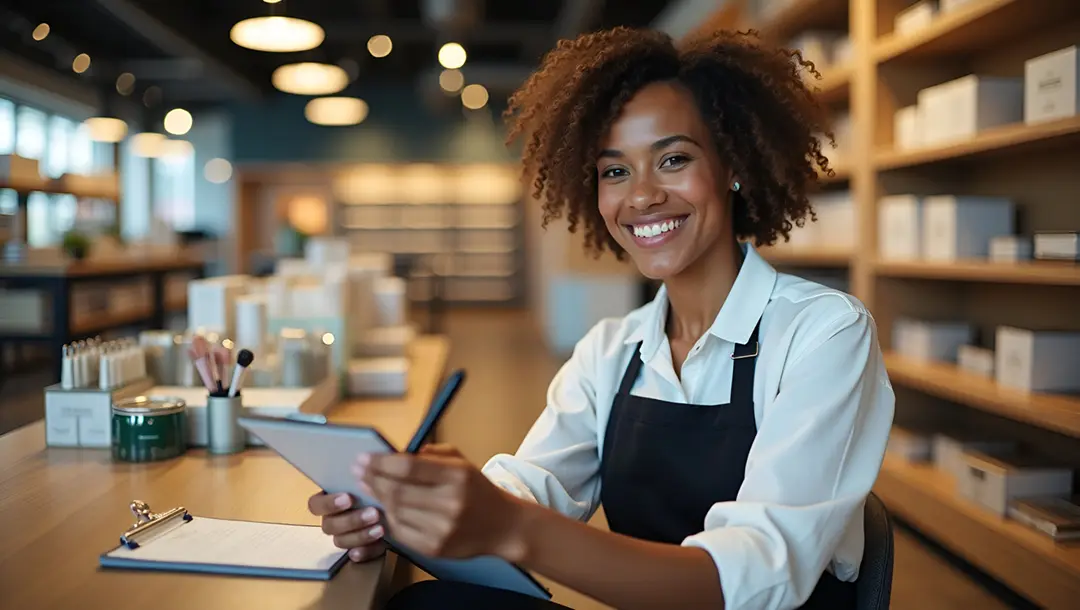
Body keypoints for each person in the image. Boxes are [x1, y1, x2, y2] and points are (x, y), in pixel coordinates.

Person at [309, 26, 895, 610]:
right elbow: (534, 486)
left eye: (672, 159)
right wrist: (408, 507)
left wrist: (511, 525)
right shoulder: (613, 350)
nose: (640, 197)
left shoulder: (823, 333)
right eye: (615, 171)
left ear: (733, 166)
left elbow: (758, 577)